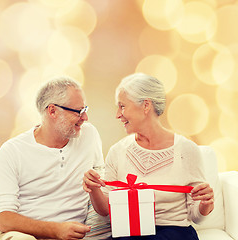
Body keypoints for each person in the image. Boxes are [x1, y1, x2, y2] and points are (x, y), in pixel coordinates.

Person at [83, 73, 214, 240]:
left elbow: (196, 216)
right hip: (131, 231)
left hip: (174, 233)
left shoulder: (186, 150)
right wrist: (94, 189)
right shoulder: (118, 151)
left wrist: (205, 204)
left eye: (122, 106)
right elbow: (105, 211)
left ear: (146, 106)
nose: (117, 114)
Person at [0, 76, 104, 240]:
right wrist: (56, 230)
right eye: (79, 111)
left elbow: (102, 188)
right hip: (22, 235)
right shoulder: (13, 150)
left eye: (85, 109)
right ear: (52, 111)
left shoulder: (89, 135)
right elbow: (2, 218)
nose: (85, 118)